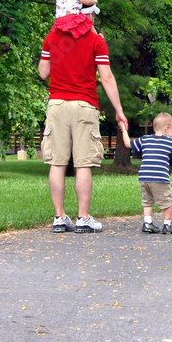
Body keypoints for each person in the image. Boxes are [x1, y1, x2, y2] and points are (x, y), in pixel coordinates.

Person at [38, 21, 127, 234]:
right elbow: (106, 77)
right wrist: (119, 110)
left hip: (57, 104)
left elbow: (43, 73)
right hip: (84, 105)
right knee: (83, 164)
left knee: (57, 163)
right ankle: (83, 218)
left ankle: (59, 217)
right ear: (89, 18)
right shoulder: (96, 42)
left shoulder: (51, 38)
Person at [121, 112, 172, 235]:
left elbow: (127, 144)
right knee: (167, 201)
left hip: (144, 177)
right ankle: (167, 225)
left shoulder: (145, 139)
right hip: (159, 178)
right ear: (167, 128)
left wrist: (123, 129)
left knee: (147, 200)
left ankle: (147, 223)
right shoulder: (169, 142)